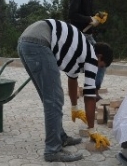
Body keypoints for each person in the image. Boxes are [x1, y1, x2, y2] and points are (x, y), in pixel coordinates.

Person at [17, 19, 113, 163]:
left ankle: (61, 138)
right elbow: (89, 96)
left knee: (50, 98)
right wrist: (92, 130)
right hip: (39, 43)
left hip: (26, 41)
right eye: (101, 66)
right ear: (99, 57)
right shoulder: (91, 57)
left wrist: (74, 107)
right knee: (55, 99)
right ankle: (52, 150)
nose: (98, 69)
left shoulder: (79, 51)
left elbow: (72, 80)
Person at [68, 0, 108, 100]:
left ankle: (93, 90)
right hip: (79, 35)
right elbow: (72, 15)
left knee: (102, 62)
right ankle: (90, 91)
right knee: (97, 62)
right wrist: (89, 19)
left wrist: (97, 17)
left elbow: (86, 14)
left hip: (88, 35)